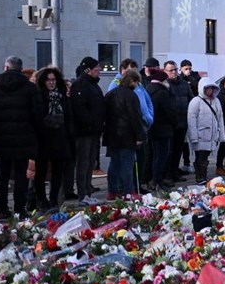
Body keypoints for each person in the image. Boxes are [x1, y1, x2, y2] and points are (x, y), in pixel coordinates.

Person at [0, 56, 43, 220]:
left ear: (6, 68)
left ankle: (2, 209)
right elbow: (38, 114)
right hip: (24, 137)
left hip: (2, 137)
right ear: (20, 68)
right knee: (21, 176)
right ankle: (19, 209)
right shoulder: (30, 88)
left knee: (3, 175)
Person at [33, 67, 72, 212]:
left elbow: (68, 116)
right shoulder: (39, 96)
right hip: (43, 137)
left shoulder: (62, 96)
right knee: (41, 171)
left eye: (53, 80)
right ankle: (41, 200)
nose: (51, 83)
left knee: (57, 170)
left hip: (59, 136)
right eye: (48, 80)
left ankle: (53, 199)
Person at [102, 69, 145, 199]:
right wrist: (139, 135)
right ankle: (129, 191)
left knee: (114, 164)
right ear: (132, 81)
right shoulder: (131, 96)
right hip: (127, 135)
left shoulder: (110, 94)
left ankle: (112, 191)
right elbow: (135, 117)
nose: (137, 84)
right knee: (127, 165)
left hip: (112, 134)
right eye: (136, 82)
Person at [70, 57, 106, 205]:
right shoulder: (80, 85)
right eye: (96, 69)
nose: (99, 71)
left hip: (94, 131)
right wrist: (92, 124)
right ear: (88, 70)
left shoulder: (93, 85)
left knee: (91, 163)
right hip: (84, 131)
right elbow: (80, 109)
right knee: (83, 163)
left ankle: (88, 192)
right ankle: (82, 194)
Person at [144, 69, 177, 191]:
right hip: (163, 129)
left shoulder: (148, 89)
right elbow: (169, 111)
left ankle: (152, 180)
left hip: (152, 128)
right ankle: (157, 181)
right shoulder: (162, 92)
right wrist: (174, 122)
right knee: (161, 156)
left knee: (155, 155)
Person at [187, 78, 224, 184]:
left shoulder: (216, 101)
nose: (210, 90)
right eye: (207, 88)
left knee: (206, 157)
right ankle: (200, 177)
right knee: (200, 157)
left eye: (211, 88)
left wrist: (221, 135)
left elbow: (220, 118)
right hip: (200, 135)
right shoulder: (195, 101)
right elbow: (191, 120)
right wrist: (193, 137)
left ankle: (203, 176)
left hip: (212, 134)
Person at [164, 60, 192, 180]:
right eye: (171, 70)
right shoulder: (165, 85)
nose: (174, 72)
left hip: (182, 122)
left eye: (175, 69)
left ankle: (175, 173)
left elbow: (191, 100)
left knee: (178, 150)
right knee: (169, 152)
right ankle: (168, 175)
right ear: (165, 71)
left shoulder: (184, 84)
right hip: (170, 124)